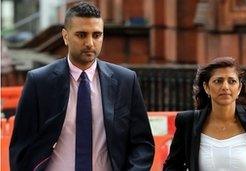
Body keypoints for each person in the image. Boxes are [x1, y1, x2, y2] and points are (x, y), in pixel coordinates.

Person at [9, 2, 154, 171]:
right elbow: (21, 147)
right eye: (81, 35)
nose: (90, 43)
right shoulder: (39, 81)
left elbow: (142, 144)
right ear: (65, 36)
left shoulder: (126, 81)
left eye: (97, 35)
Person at [163, 57, 246, 171]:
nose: (225, 87)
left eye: (232, 81)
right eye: (218, 81)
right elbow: (172, 166)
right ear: (206, 87)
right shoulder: (188, 122)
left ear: (239, 89)